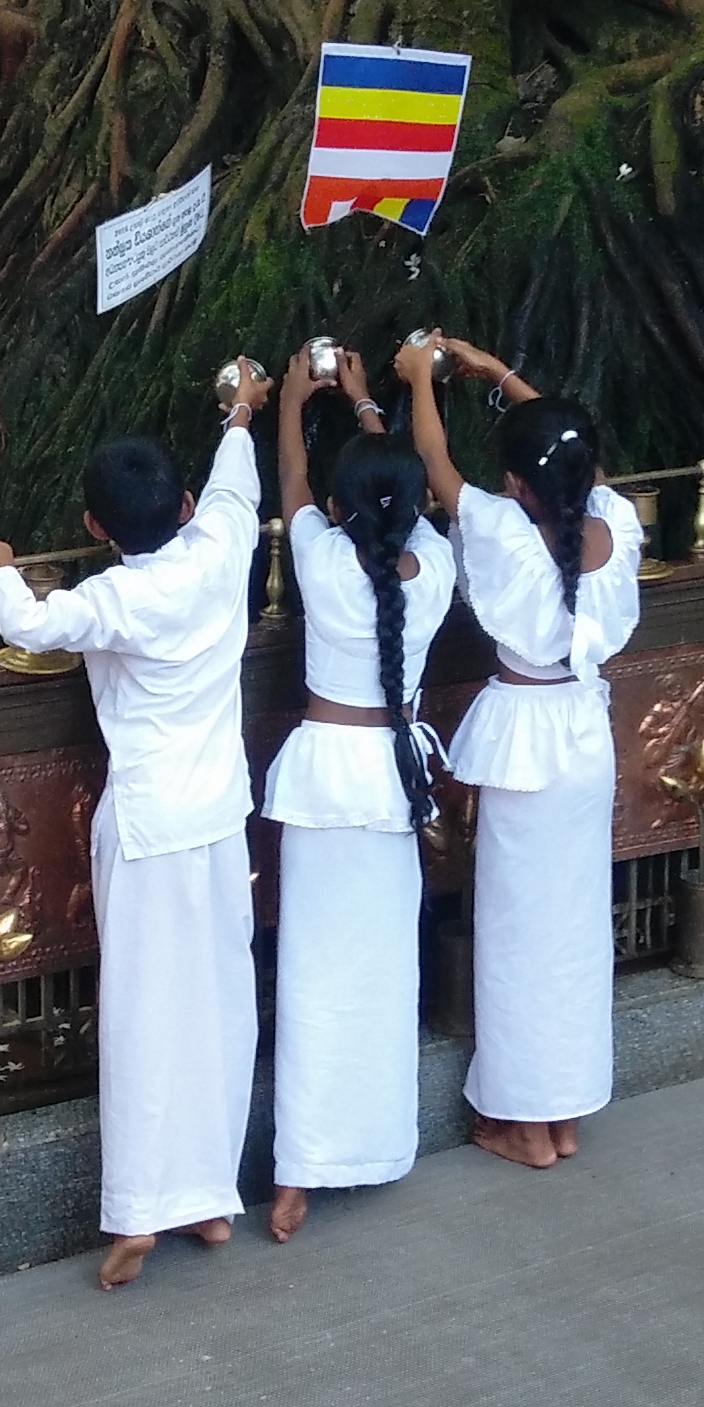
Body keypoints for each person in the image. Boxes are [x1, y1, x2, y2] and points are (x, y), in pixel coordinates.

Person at [0, 364, 271, 1284]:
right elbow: (236, 482)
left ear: (96, 529)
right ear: (183, 506)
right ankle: (210, 1198)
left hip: (146, 825)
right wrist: (241, 412)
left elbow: (29, 623)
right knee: (220, 1005)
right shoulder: (220, 548)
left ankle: (142, 1213)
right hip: (217, 817)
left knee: (145, 1015)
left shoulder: (114, 600)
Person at [401, 335, 642, 1168]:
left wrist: (420, 379)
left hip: (528, 744)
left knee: (516, 935)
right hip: (583, 738)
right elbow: (577, 460)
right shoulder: (615, 523)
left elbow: (435, 463)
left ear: (515, 485)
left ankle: (523, 1127)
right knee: (572, 931)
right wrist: (502, 375)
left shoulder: (503, 530)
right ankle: (562, 1115)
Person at [262, 344, 458, 1242]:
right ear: (416, 512)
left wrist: (292, 405)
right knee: (382, 976)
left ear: (339, 511)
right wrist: (369, 402)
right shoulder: (438, 569)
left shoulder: (320, 560)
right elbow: (394, 499)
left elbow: (295, 486)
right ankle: (372, 1146)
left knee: (313, 978)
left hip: (325, 778)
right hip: (390, 780)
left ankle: (297, 1174)